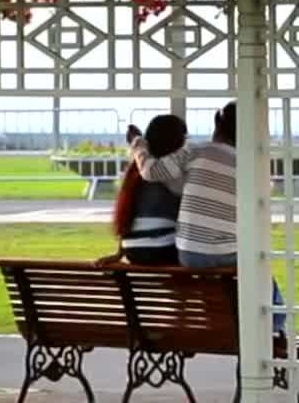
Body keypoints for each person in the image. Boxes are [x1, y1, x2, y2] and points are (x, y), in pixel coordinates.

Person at [132, 104, 288, 335]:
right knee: (260, 263)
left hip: (189, 253)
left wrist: (138, 145)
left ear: (217, 124)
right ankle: (275, 326)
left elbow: (150, 172)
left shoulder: (195, 151)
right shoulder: (251, 166)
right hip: (227, 253)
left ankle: (225, 322)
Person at [105, 115, 187, 266]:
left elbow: (128, 213)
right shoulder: (169, 172)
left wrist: (119, 253)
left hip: (132, 250)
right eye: (183, 138)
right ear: (175, 141)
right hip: (163, 249)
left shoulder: (133, 172)